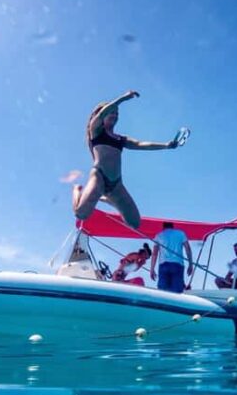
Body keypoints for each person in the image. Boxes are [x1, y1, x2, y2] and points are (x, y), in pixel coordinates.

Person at [73, 90, 180, 229]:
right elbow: (102, 113)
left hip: (116, 184)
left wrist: (166, 145)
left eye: (117, 114)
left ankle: (107, 198)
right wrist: (122, 99)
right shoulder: (96, 131)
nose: (115, 114)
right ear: (103, 116)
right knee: (81, 214)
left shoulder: (120, 139)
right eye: (112, 111)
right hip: (99, 176)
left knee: (135, 223)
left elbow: (141, 144)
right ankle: (77, 191)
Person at [150, 222, 193, 293]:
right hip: (177, 264)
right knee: (177, 292)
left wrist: (152, 269)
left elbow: (154, 254)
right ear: (173, 226)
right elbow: (188, 249)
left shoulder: (159, 235)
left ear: (163, 227)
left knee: (162, 292)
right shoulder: (181, 234)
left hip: (163, 264)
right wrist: (190, 264)